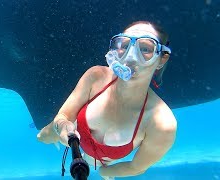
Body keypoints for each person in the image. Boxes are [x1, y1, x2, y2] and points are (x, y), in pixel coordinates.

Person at [37, 21, 177, 179]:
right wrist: (61, 126)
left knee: (92, 162)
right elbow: (63, 116)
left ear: (161, 59)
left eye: (145, 48)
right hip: (70, 132)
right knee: (42, 137)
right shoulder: (96, 76)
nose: (130, 57)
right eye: (124, 46)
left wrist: (106, 173)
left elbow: (136, 167)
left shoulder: (162, 124)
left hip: (100, 160)